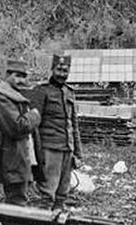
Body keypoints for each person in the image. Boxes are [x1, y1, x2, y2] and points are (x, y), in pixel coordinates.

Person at [0, 58, 41, 225]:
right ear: (7, 75)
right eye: (17, 76)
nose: (21, 80)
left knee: (17, 200)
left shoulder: (13, 96)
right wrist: (35, 115)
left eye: (24, 77)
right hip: (11, 159)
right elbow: (18, 127)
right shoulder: (3, 99)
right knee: (15, 202)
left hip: (19, 157)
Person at [31, 53, 83, 213]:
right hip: (49, 149)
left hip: (67, 149)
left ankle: (56, 224)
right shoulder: (41, 91)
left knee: (62, 193)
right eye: (59, 70)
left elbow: (74, 124)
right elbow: (34, 124)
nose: (62, 74)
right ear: (52, 69)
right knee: (47, 193)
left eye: (65, 71)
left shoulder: (69, 92)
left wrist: (78, 153)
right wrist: (35, 153)